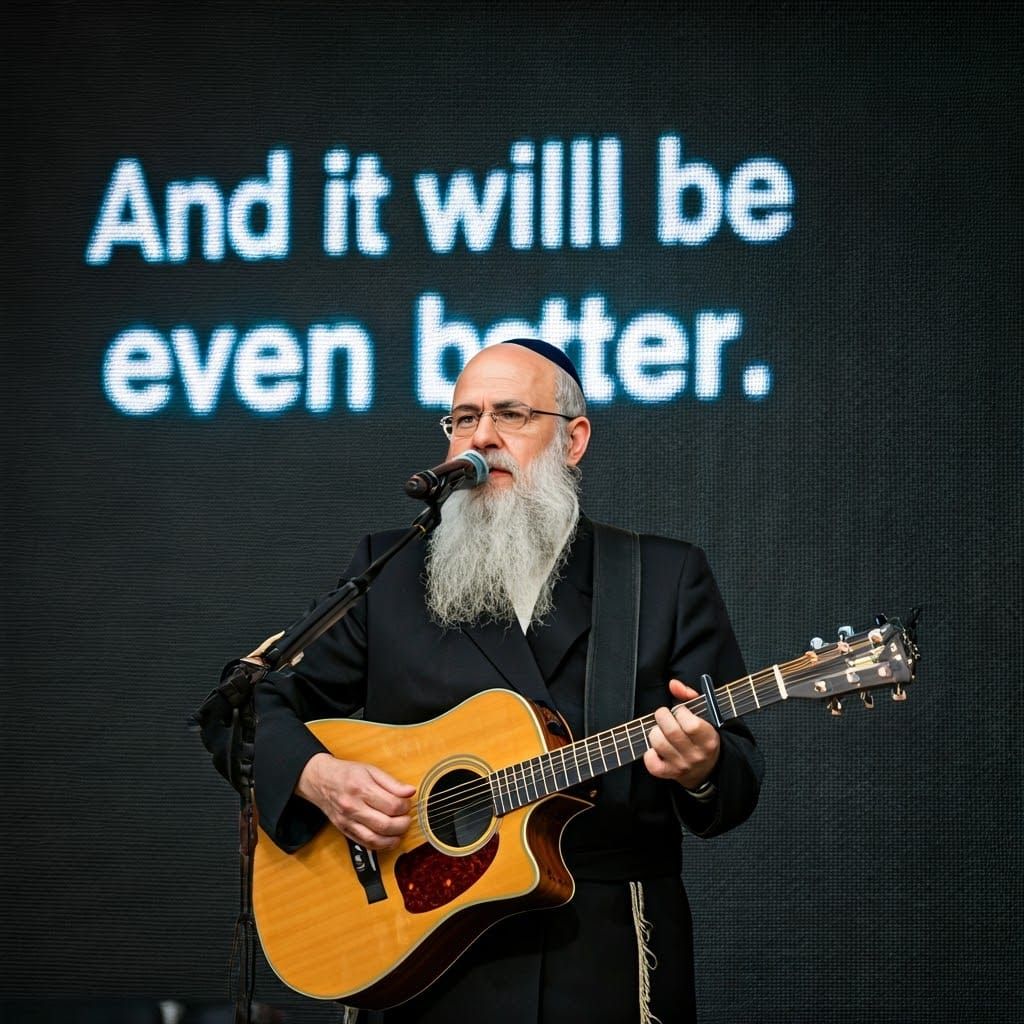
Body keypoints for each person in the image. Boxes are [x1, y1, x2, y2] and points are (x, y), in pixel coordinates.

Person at [254, 339, 763, 1024]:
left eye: (511, 415)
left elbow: (735, 782)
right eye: (463, 419)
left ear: (573, 439)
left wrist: (703, 766)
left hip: (602, 962)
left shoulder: (664, 579)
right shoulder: (391, 571)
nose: (483, 437)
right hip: (421, 961)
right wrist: (319, 777)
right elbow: (251, 709)